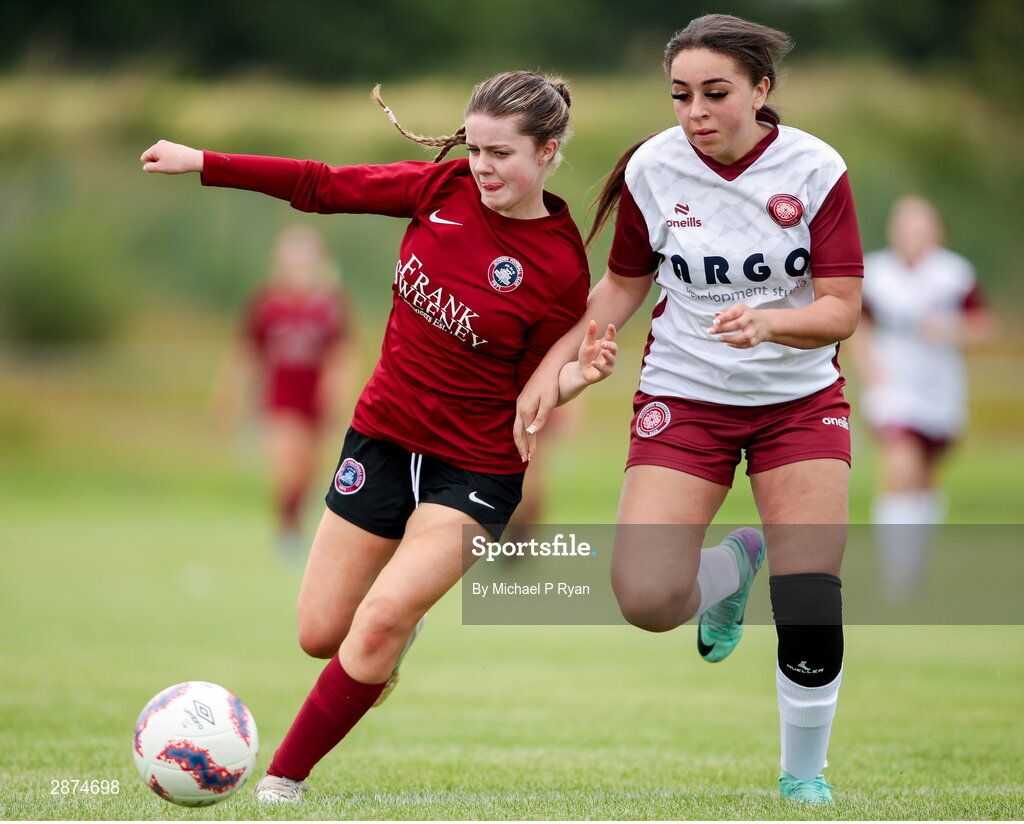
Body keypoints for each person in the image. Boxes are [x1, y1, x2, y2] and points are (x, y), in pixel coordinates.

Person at [140, 70, 617, 803]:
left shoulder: (557, 264)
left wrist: (576, 379)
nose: (483, 167)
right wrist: (206, 161)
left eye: (502, 154)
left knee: (380, 621)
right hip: (381, 440)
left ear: (548, 151)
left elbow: (538, 384)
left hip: (476, 468)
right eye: (475, 148)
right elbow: (322, 184)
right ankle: (391, 638)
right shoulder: (441, 192)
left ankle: (284, 781)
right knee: (319, 634)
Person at [516, 15, 863, 804]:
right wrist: (558, 364)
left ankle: (804, 774)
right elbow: (623, 285)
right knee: (644, 599)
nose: (695, 112)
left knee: (809, 598)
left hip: (798, 403)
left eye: (716, 94)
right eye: (680, 96)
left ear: (761, 90)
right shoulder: (655, 167)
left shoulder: (815, 169)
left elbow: (841, 308)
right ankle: (733, 567)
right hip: (686, 398)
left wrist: (771, 321)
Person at [853, 196, 998, 601]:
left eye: (922, 227)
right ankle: (896, 576)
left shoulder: (954, 274)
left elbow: (985, 326)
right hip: (893, 392)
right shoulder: (878, 273)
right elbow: (857, 325)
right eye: (906, 227)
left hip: (941, 393)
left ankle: (914, 564)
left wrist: (950, 328)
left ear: (937, 231)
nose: (913, 235)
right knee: (901, 468)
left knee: (924, 482)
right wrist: (873, 372)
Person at [211, 224, 355, 565]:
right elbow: (245, 354)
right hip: (280, 398)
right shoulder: (266, 305)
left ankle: (294, 519)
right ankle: (287, 532)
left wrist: (337, 389)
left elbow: (343, 352)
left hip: (314, 401)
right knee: (286, 464)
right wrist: (229, 395)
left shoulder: (330, 306)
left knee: (308, 469)